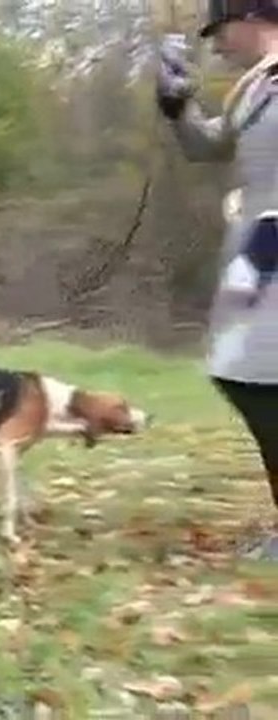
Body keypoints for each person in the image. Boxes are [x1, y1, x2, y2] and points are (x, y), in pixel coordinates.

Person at [156, 0, 278, 557]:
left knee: (259, 374)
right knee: (240, 373)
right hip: (257, 246)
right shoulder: (252, 88)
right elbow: (209, 147)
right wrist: (177, 107)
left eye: (221, 30)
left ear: (255, 17)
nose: (216, 43)